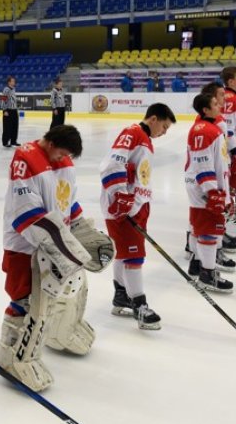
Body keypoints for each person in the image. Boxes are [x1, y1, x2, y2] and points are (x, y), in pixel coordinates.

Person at [0, 125, 114, 391]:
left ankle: (61, 332)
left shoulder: (65, 160)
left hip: (56, 241)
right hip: (24, 245)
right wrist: (66, 247)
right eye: (61, 153)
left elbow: (68, 201)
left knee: (60, 293)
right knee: (25, 298)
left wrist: (81, 231)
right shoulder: (25, 159)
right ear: (49, 143)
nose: (64, 159)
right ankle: (10, 355)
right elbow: (25, 214)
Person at [100, 103, 176, 330]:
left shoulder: (144, 139)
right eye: (163, 126)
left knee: (124, 253)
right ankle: (139, 305)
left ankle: (121, 295)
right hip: (124, 208)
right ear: (153, 119)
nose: (164, 132)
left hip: (135, 206)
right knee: (134, 256)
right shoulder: (133, 133)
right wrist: (120, 196)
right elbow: (111, 164)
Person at [185, 94, 233, 293]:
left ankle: (197, 265)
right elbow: (202, 164)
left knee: (201, 226)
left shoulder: (212, 129)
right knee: (209, 229)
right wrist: (212, 191)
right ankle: (208, 274)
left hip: (207, 186)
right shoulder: (204, 130)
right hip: (204, 187)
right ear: (205, 109)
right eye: (215, 103)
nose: (219, 105)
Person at [0, 75, 20, 148]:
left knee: (15, 126)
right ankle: (5, 142)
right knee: (7, 127)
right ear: (9, 82)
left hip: (14, 110)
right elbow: (2, 99)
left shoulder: (13, 89)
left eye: (14, 81)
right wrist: (4, 110)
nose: (14, 82)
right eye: (12, 81)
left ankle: (13, 141)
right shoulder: (6, 89)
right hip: (8, 111)